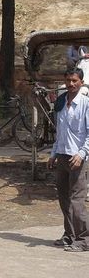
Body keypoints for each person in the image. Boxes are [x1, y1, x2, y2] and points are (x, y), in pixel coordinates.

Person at [47, 68, 89, 252]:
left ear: (81, 82)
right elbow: (60, 133)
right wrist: (53, 154)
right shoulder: (62, 102)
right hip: (62, 155)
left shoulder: (86, 103)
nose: (71, 84)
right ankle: (69, 235)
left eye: (74, 81)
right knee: (64, 198)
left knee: (76, 199)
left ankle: (84, 239)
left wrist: (81, 154)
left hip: (77, 158)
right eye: (68, 81)